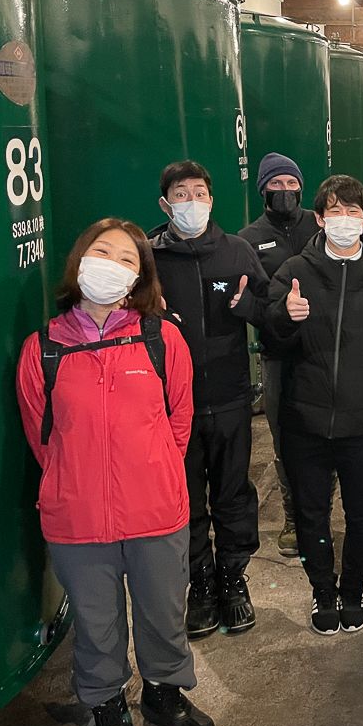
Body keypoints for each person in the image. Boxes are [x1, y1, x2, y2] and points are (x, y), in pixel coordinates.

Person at [16, 219, 215, 726]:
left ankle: (164, 696)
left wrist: (150, 471)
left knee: (163, 615)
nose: (112, 264)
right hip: (78, 520)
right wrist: (74, 479)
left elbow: (179, 421)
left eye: (127, 259)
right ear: (79, 260)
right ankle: (108, 709)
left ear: (139, 276)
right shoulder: (44, 348)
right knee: (95, 627)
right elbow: (43, 436)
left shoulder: (161, 337)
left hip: (155, 512)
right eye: (102, 251)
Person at [262, 175, 363, 635]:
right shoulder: (293, 272)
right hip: (305, 419)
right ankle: (322, 589)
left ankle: (352, 590)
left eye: (353, 212)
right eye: (334, 212)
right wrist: (284, 318)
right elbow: (271, 339)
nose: (343, 220)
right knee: (311, 513)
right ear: (320, 218)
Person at [149, 160, 269, 640]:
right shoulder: (149, 259)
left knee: (233, 493)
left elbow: (271, 309)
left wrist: (252, 308)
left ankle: (232, 578)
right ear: (165, 203)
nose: (191, 203)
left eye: (200, 193)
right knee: (186, 498)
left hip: (231, 398)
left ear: (212, 199)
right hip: (170, 408)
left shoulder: (237, 252)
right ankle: (199, 582)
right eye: (181, 194)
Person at [237, 153, 320, 558]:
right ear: (263, 189)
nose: (284, 191)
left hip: (324, 350)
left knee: (327, 434)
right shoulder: (250, 238)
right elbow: (251, 302)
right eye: (276, 184)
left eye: (291, 184)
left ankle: (319, 508)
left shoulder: (319, 223)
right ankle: (293, 513)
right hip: (278, 354)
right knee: (285, 436)